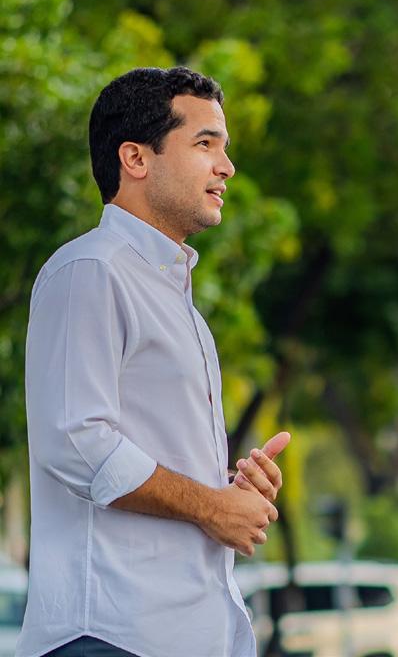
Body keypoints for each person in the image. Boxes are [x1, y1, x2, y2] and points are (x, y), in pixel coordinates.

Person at [20, 67, 290, 657]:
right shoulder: (90, 270)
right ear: (136, 158)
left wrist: (231, 490)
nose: (227, 167)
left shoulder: (181, 307)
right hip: (108, 636)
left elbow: (149, 461)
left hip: (182, 634)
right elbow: (76, 441)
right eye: (205, 144)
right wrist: (212, 506)